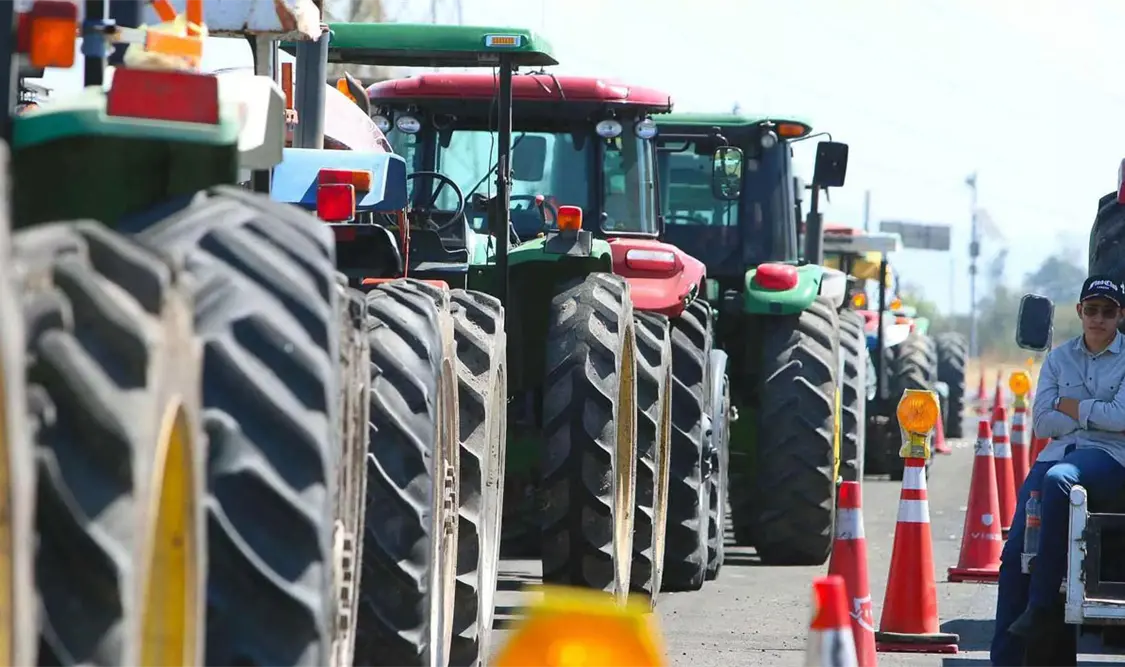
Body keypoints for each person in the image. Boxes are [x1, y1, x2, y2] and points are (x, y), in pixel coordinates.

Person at [991, 275, 1125, 666]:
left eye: (1108, 311)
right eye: (1092, 310)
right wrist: (1093, 415)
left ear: (1120, 315)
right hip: (1056, 453)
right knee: (1014, 555)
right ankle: (1004, 659)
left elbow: (1122, 418)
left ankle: (1043, 603)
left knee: (1058, 479)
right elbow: (1042, 424)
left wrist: (1073, 407)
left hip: (1110, 460)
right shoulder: (1058, 358)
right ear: (1080, 312)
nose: (1099, 319)